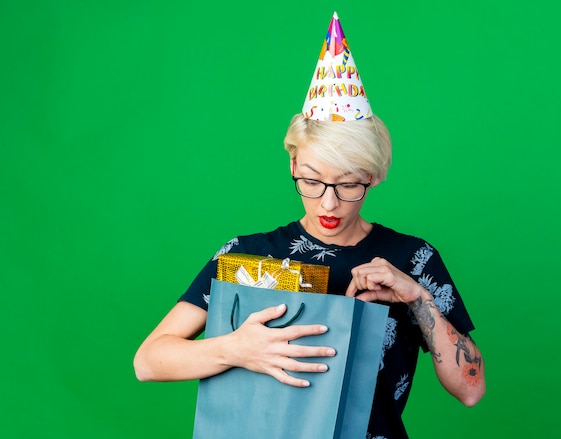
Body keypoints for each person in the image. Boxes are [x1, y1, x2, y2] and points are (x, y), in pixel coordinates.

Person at [134, 12, 485, 439]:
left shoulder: (412, 259)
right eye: (312, 180)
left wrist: (418, 299)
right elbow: (148, 361)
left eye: (349, 183)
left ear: (373, 176)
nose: (329, 202)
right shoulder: (245, 255)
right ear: (293, 163)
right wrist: (235, 349)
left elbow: (471, 389)